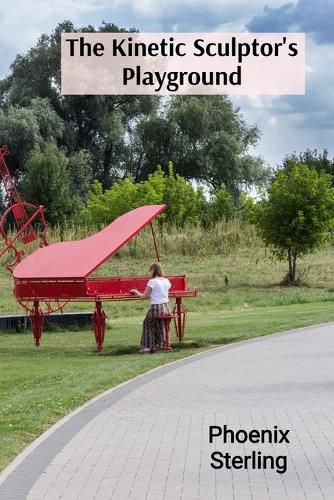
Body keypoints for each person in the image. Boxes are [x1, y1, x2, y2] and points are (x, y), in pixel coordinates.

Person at [130, 262, 171, 353]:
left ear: (154, 270)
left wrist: (136, 292)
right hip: (166, 308)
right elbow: (157, 294)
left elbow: (144, 297)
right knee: (159, 324)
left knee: (147, 323)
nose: (149, 273)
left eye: (150, 270)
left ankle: (148, 346)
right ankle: (161, 344)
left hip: (156, 308)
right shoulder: (166, 281)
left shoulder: (152, 281)